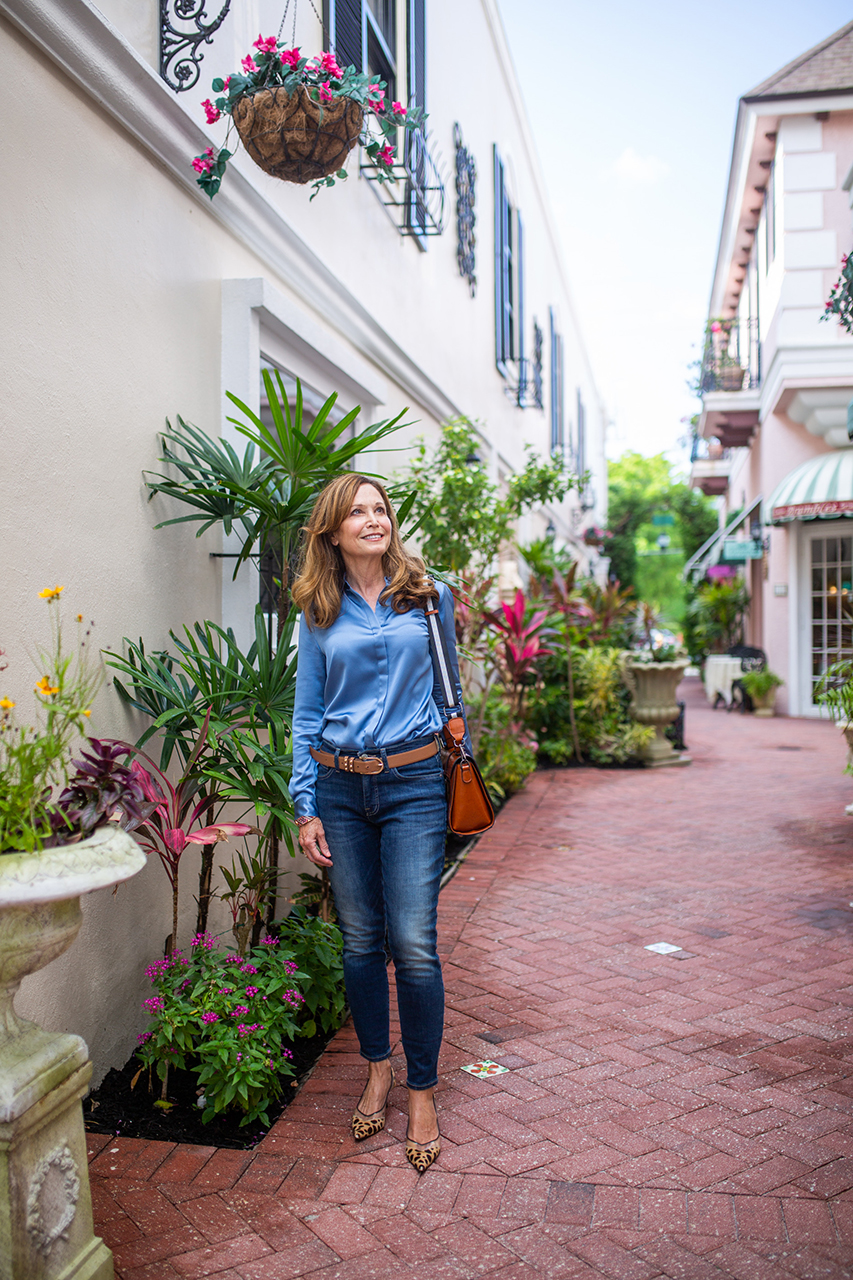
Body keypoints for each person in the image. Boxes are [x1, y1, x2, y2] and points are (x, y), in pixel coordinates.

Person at [290, 472, 468, 1174]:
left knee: (414, 943)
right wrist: (305, 803)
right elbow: (306, 714)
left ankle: (421, 1090)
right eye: (356, 513)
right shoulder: (318, 607)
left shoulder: (427, 595)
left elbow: (449, 686)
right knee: (360, 942)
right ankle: (376, 1070)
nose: (373, 520)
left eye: (380, 509)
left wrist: (460, 769)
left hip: (416, 783)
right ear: (332, 532)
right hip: (338, 786)